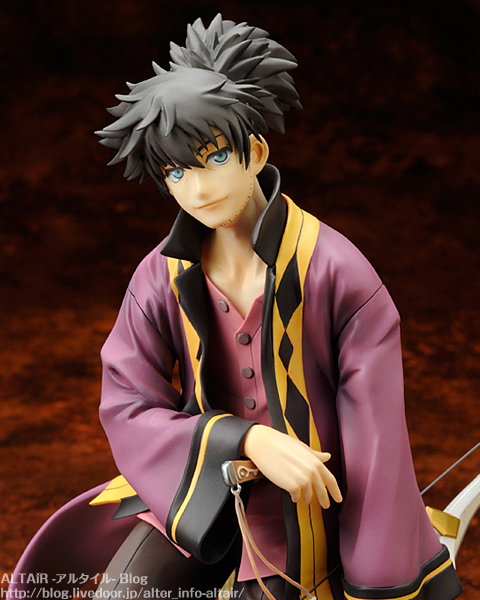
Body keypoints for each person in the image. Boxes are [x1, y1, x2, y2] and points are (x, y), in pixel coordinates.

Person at [8, 14, 462, 600]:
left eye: (215, 158)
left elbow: (378, 444)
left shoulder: (337, 271)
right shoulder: (161, 276)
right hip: (199, 492)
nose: (198, 189)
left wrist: (376, 576)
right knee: (124, 593)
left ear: (256, 150)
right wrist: (244, 440)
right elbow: (126, 403)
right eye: (176, 172)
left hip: (318, 507)